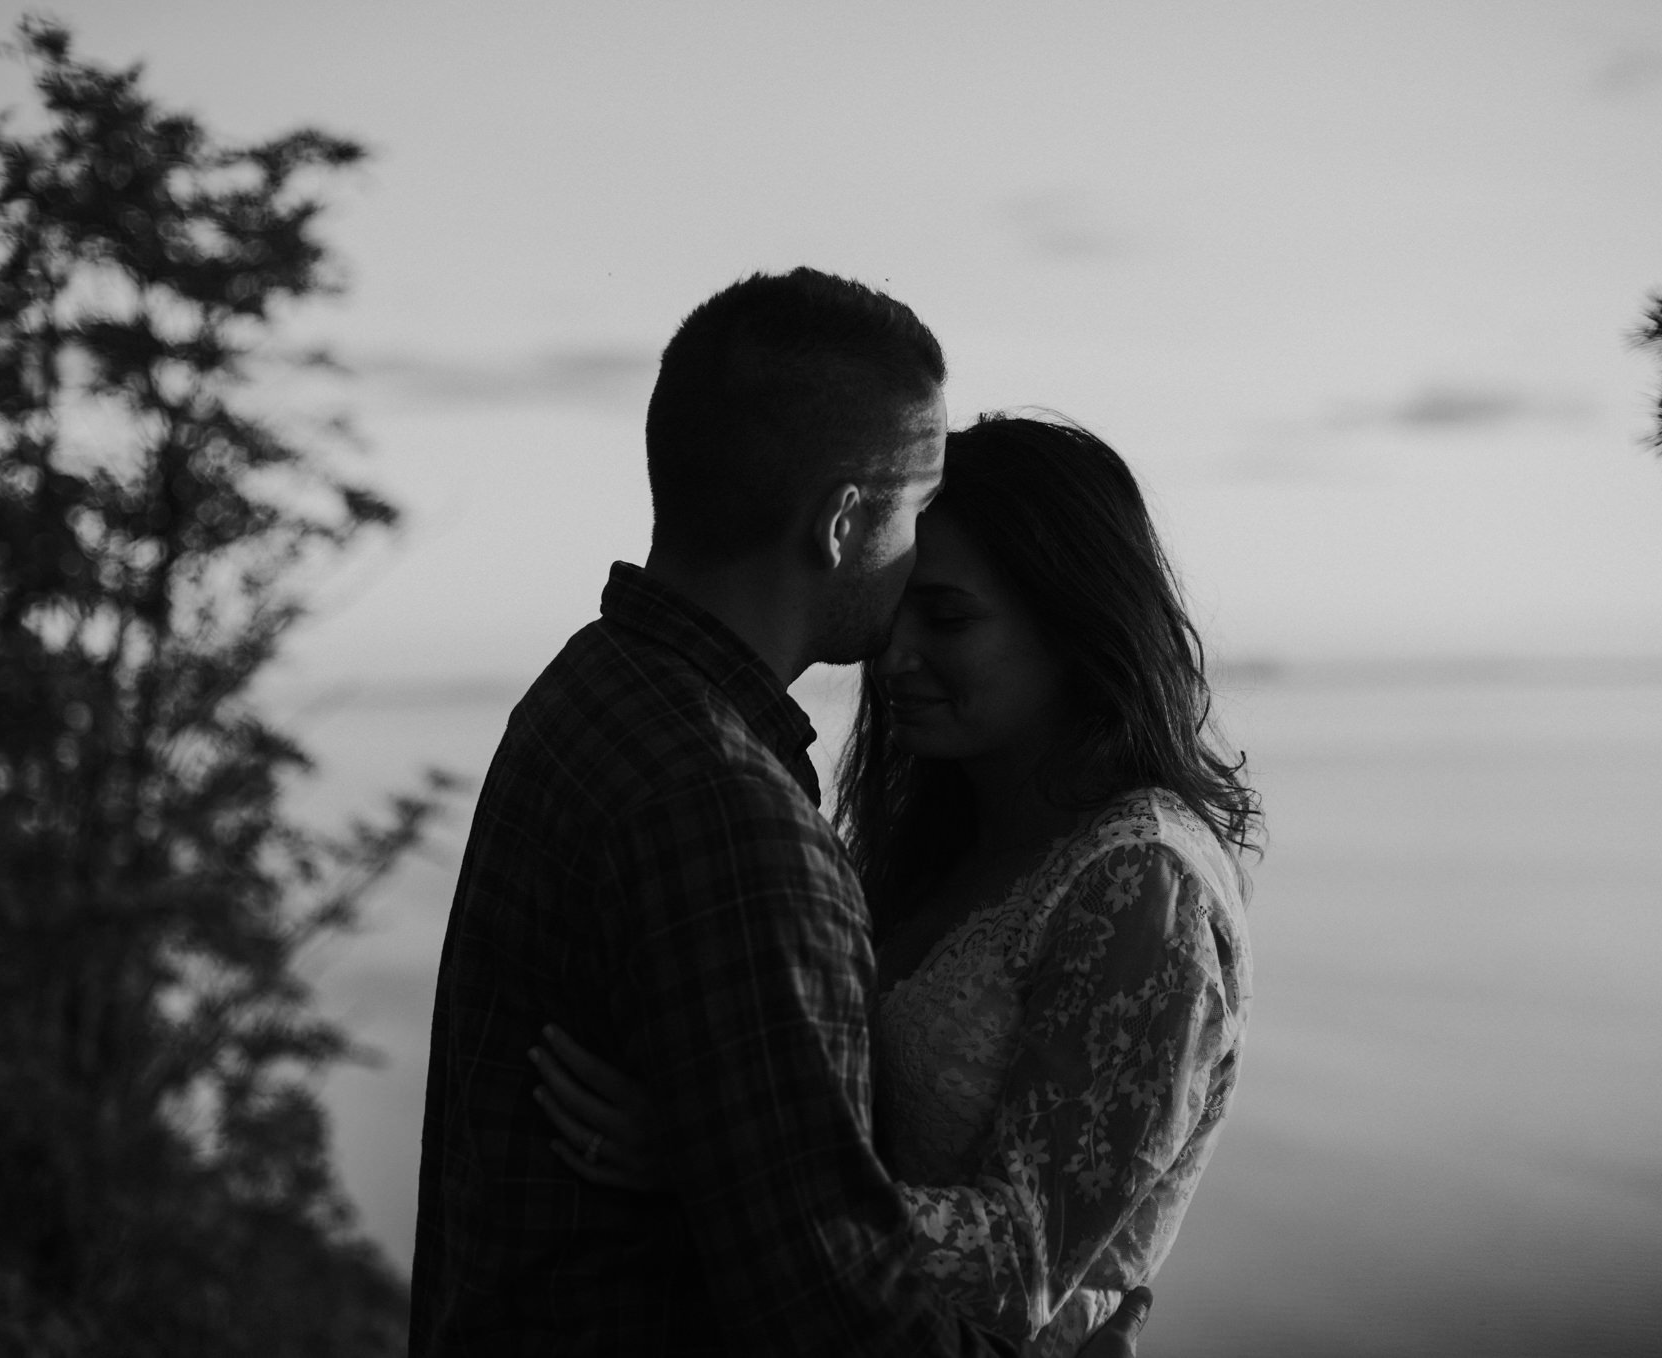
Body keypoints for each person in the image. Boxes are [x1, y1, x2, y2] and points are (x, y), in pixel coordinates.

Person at [408, 268, 1150, 1357]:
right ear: (846, 521)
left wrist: (719, 1150)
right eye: (917, 508)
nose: (920, 555)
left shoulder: (589, 688)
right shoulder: (730, 813)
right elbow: (839, 1325)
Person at [535, 414, 1259, 1356]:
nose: (894, 655)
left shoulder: (1142, 883)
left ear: (1079, 623)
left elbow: (1023, 1265)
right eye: (898, 607)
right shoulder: (957, 831)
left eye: (949, 618)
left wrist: (715, 1158)